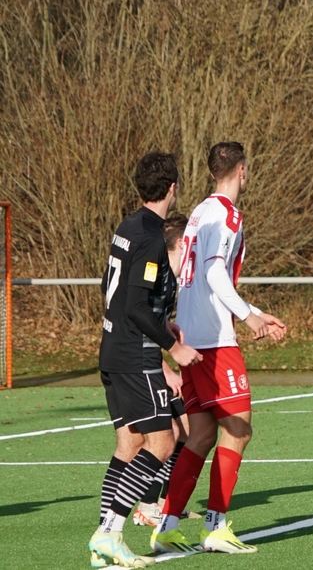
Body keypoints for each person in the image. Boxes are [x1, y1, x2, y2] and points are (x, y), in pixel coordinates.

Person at [152, 142, 286, 554]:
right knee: (239, 430)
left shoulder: (198, 212)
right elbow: (213, 273)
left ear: (213, 172)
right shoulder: (227, 215)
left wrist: (256, 312)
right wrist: (247, 317)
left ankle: (167, 526)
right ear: (242, 170)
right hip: (214, 343)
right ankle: (215, 525)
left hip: (190, 340)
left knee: (202, 435)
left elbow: (203, 279)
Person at [89, 153, 202, 569]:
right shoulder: (153, 237)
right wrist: (172, 347)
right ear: (173, 188)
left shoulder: (127, 226)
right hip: (135, 357)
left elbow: (112, 286)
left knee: (129, 444)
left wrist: (161, 322)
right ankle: (111, 533)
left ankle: (103, 540)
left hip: (112, 349)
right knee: (163, 442)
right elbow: (137, 306)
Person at [133, 215, 198, 528]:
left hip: (153, 362)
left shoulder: (172, 278)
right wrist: (166, 368)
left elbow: (156, 324)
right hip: (137, 364)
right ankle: (145, 506)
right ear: (182, 243)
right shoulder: (156, 275)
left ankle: (163, 502)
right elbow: (137, 325)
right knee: (164, 435)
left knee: (185, 429)